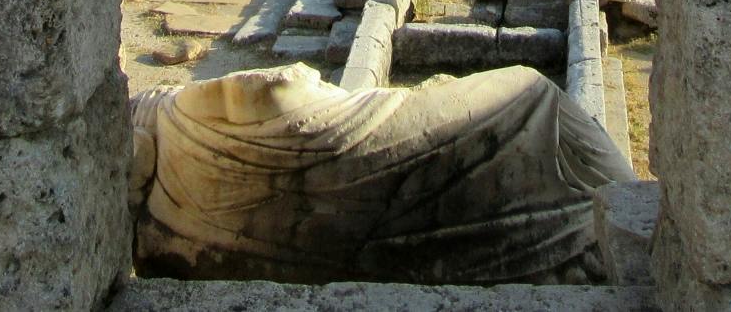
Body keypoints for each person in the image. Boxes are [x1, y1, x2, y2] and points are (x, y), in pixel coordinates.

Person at [130, 63, 635, 284]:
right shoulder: (186, 114)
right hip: (381, 140)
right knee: (533, 92)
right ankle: (617, 212)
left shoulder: (162, 242)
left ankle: (602, 217)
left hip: (359, 184)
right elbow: (277, 90)